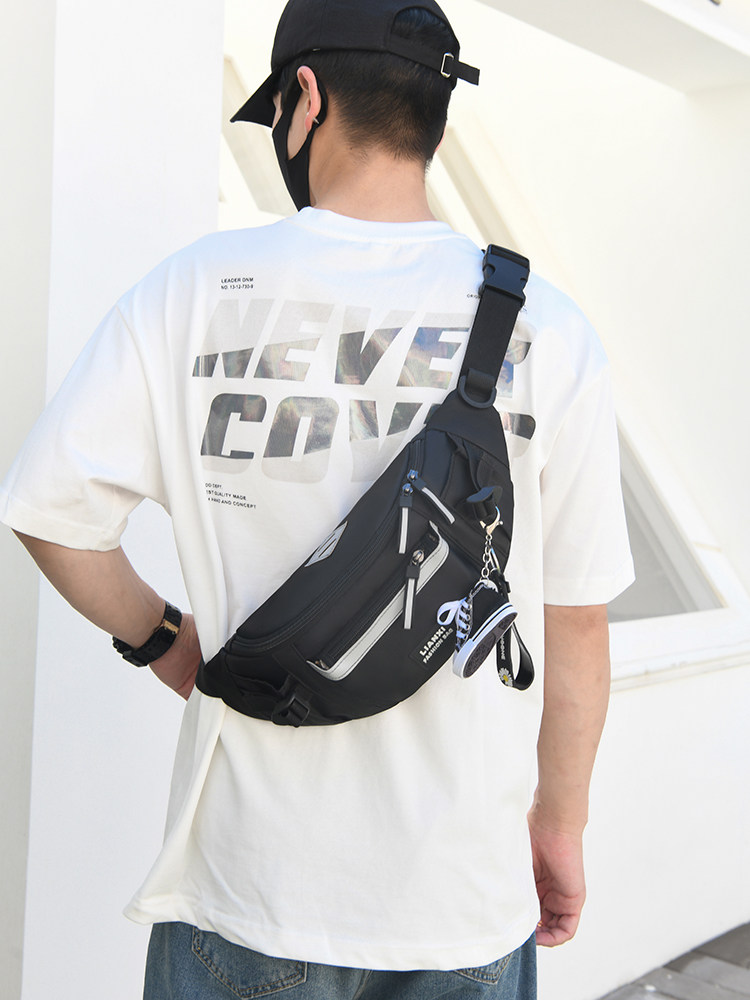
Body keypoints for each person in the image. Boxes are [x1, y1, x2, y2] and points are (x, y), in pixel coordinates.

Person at [0, 0, 634, 997]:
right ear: (434, 119)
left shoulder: (193, 290)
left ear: (306, 98)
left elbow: (48, 510)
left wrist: (167, 640)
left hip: (245, 885)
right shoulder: (549, 330)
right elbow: (579, 623)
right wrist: (560, 825)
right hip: (459, 897)